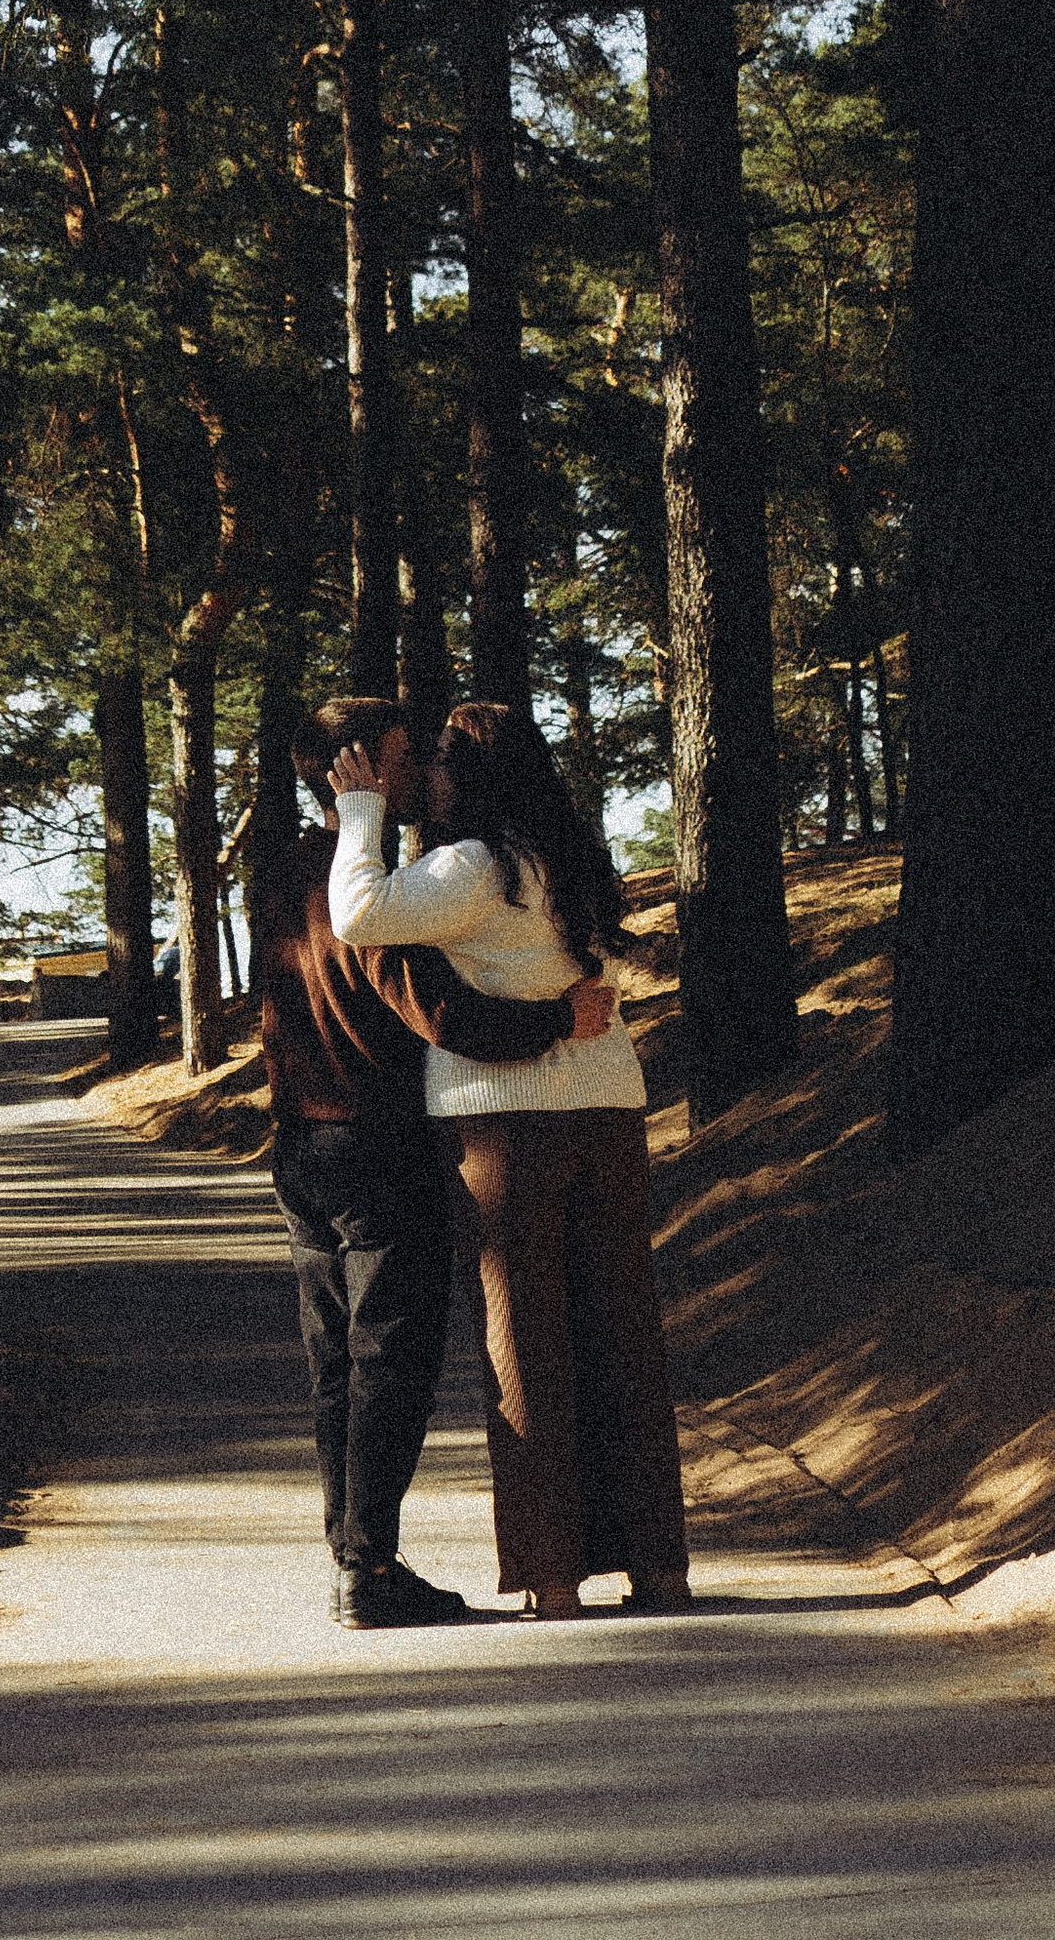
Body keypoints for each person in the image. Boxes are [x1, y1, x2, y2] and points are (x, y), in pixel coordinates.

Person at [328, 697, 692, 1620]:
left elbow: (358, 916)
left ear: (471, 775)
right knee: (623, 1335)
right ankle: (658, 1568)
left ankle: (555, 1576)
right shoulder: (565, 861)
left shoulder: (472, 868)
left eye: (440, 762)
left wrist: (362, 812)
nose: (427, 779)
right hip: (608, 1109)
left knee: (522, 1340)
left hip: (506, 1124)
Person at [260, 695, 618, 1630]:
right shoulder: (368, 883)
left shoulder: (286, 870)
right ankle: (368, 1568)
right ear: (366, 765)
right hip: (379, 1143)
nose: (423, 766)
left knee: (334, 1358)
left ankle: (352, 1558)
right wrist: (559, 1019)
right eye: (407, 751)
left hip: (301, 1143)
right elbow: (447, 1018)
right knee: (392, 1358)